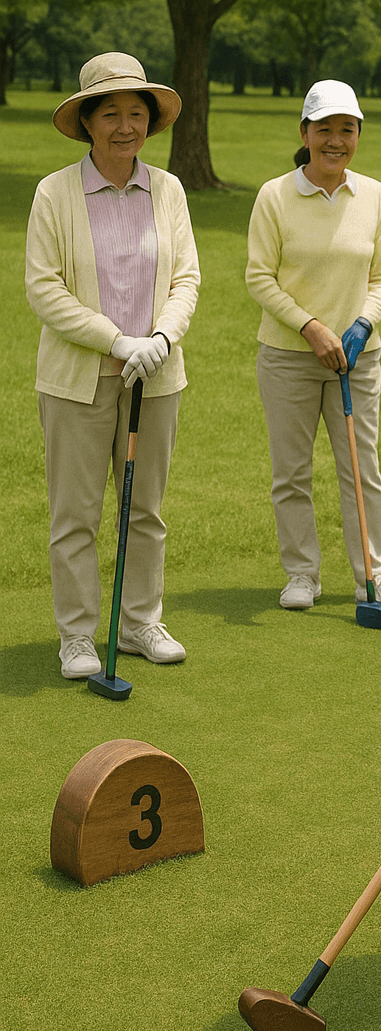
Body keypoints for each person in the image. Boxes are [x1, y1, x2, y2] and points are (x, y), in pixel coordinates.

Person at [25, 52, 200, 678]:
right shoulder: (54, 192)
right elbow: (44, 288)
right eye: (111, 114)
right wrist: (116, 341)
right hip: (78, 379)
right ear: (88, 122)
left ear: (149, 122)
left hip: (156, 373)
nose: (125, 127)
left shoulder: (169, 189)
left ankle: (138, 623)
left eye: (136, 114)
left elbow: (186, 279)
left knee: (144, 508)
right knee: (75, 514)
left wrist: (161, 337)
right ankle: (77, 636)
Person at [245, 80, 381, 613]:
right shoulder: (275, 196)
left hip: (358, 359)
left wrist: (363, 323)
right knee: (291, 473)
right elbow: (259, 277)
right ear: (305, 133)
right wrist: (311, 327)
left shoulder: (374, 195)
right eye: (325, 130)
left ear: (358, 135)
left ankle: (374, 577)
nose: (335, 141)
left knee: (362, 470)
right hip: (287, 357)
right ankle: (301, 574)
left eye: (347, 129)